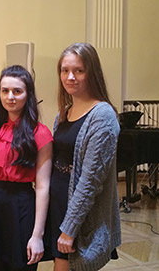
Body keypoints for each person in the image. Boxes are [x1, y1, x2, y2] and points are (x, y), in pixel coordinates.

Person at [49, 42, 121, 271]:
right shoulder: (64, 112)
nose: (70, 77)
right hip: (58, 205)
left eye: (79, 70)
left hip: (79, 213)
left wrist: (70, 228)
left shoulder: (102, 116)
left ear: (92, 72)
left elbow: (90, 181)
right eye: (65, 70)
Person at [0, 65, 53, 271]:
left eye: (17, 91)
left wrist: (37, 235)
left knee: (20, 266)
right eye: (5, 91)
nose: (10, 97)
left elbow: (42, 187)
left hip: (21, 207)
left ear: (28, 94)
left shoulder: (40, 133)